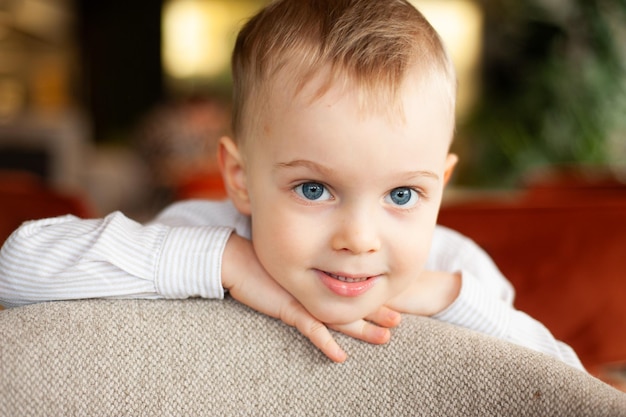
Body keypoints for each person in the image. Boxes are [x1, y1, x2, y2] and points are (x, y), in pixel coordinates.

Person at [0, 0, 583, 370]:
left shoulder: (455, 268)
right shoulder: (203, 235)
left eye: (402, 195)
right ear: (241, 180)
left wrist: (451, 298)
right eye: (313, 189)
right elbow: (18, 268)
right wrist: (227, 262)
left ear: (441, 185)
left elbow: (569, 384)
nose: (359, 239)